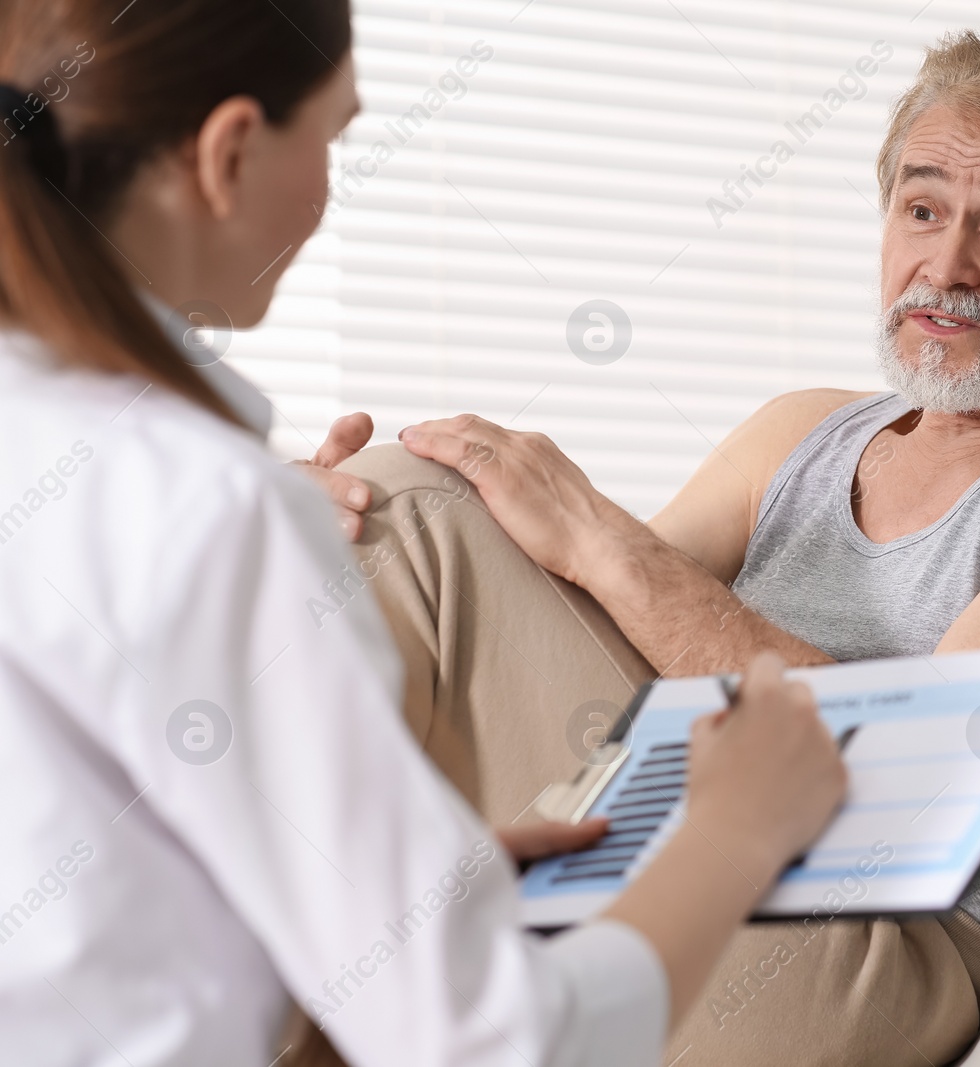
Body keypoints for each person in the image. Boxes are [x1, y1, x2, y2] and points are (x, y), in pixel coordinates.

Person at [307, 31, 980, 1067]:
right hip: (685, 853)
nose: (945, 265)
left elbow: (910, 792)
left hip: (878, 955)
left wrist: (600, 536)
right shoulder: (800, 432)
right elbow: (569, 658)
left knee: (421, 514)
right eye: (920, 209)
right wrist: (311, 553)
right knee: (396, 505)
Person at [0, 3, 846, 1066]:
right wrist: (736, 833)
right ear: (227, 154)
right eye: (334, 137)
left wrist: (413, 893)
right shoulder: (208, 506)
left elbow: (77, 896)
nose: (331, 185)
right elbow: (497, 1045)